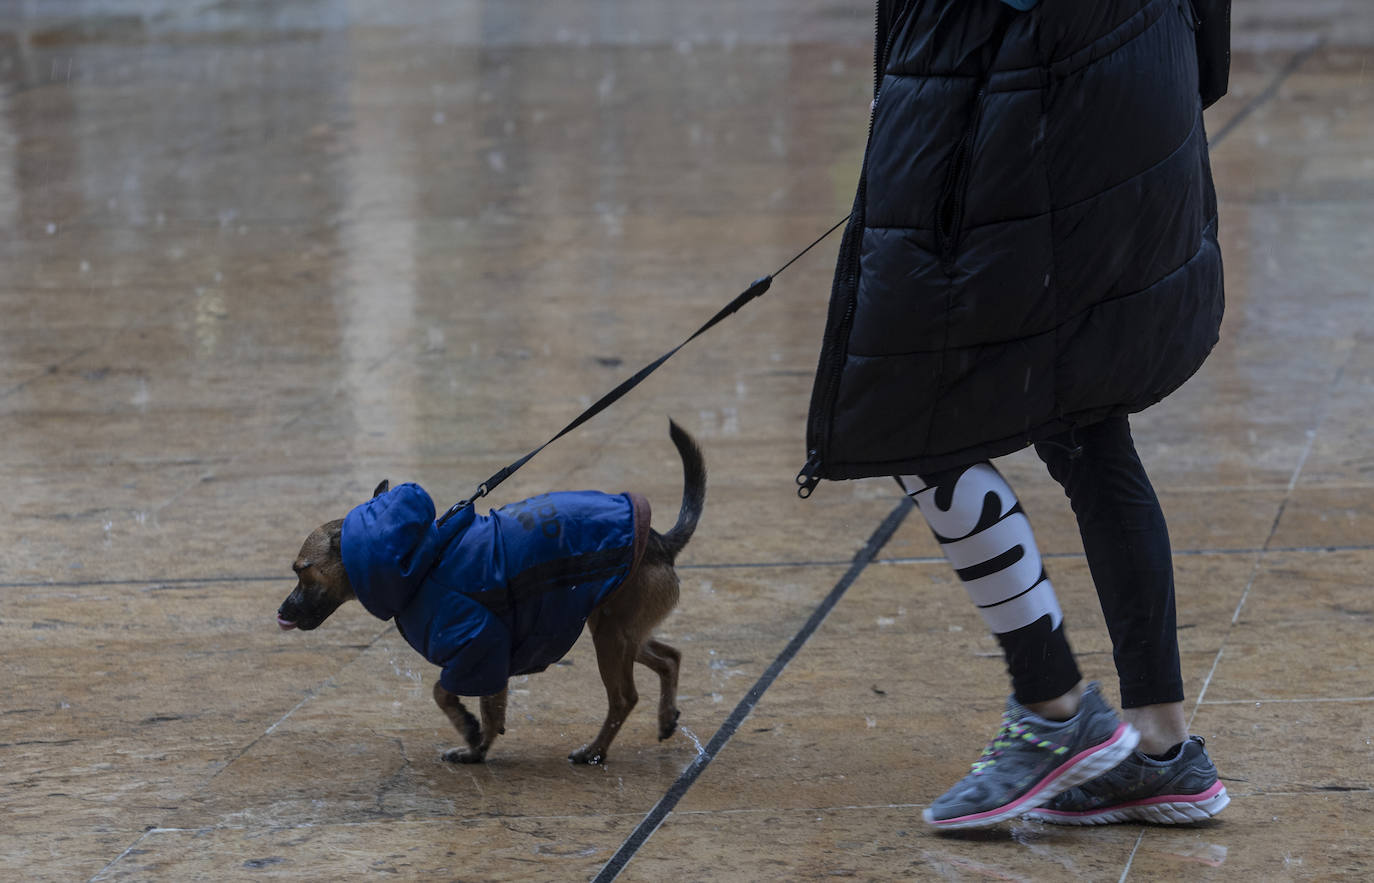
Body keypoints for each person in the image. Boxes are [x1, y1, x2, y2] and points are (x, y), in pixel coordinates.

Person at [799, 0, 1229, 829]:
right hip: (1135, 71)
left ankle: (1055, 708)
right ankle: (1161, 749)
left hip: (1034, 82)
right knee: (1087, 421)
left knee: (908, 403)